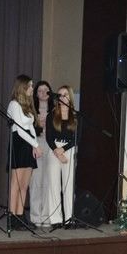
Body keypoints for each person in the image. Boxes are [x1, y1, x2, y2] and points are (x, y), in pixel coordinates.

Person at [6, 74, 42, 230]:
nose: (32, 88)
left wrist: (35, 145)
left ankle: (20, 216)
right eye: (30, 85)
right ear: (22, 87)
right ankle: (12, 217)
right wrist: (35, 144)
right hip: (19, 143)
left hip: (28, 143)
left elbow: (31, 127)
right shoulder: (14, 104)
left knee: (24, 184)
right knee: (16, 183)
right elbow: (20, 130)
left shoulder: (28, 104)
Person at [46, 85, 78, 228]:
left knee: (68, 186)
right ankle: (55, 219)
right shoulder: (52, 115)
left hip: (69, 149)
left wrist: (63, 150)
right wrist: (57, 151)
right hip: (54, 149)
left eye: (65, 94)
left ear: (70, 97)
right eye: (60, 95)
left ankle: (69, 219)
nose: (62, 97)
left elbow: (77, 138)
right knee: (53, 185)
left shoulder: (75, 116)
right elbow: (49, 137)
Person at [29, 80, 53, 227]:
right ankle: (35, 216)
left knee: (48, 181)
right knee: (36, 181)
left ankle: (46, 216)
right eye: (40, 90)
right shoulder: (31, 109)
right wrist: (38, 124)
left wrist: (49, 124)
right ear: (36, 94)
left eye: (46, 90)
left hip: (51, 145)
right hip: (37, 144)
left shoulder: (56, 109)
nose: (43, 93)